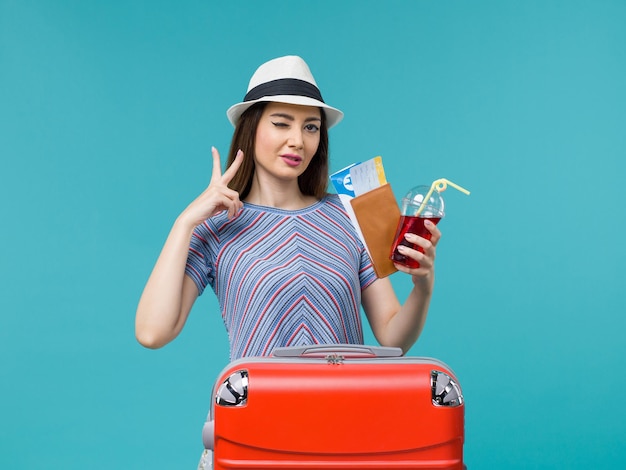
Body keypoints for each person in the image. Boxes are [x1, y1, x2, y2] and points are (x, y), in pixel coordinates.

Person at [135, 54, 440, 469]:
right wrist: (185, 222)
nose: (298, 140)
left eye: (310, 127)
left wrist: (422, 287)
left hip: (346, 432)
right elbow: (153, 332)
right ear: (251, 128)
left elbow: (391, 339)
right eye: (281, 123)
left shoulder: (352, 214)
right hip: (253, 432)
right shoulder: (216, 228)